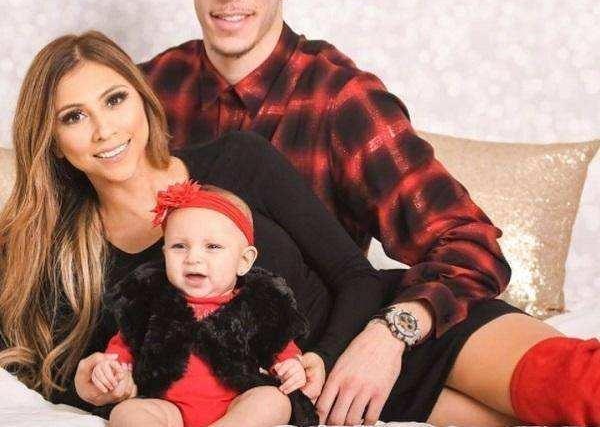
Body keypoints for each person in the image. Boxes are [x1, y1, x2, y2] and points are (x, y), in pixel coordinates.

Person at [140, 0, 600, 425]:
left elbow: (468, 243)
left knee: (573, 385)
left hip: (360, 332)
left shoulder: (340, 97)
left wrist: (388, 335)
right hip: (259, 373)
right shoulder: (142, 96)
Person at [0, 30, 383, 427]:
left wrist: (328, 356)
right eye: (74, 117)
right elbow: (39, 369)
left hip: (363, 363)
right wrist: (87, 386)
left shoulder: (240, 160)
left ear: (143, 99)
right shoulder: (58, 252)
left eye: (115, 100)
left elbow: (357, 276)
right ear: (53, 141)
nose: (104, 130)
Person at [78, 180, 318, 427]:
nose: (193, 258)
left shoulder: (256, 308)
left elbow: (281, 349)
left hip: (236, 405)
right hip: (168, 408)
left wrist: (291, 367)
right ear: (165, 253)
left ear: (244, 261)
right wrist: (110, 371)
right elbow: (121, 350)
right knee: (126, 412)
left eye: (212, 246)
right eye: (179, 246)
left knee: (273, 400)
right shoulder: (149, 305)